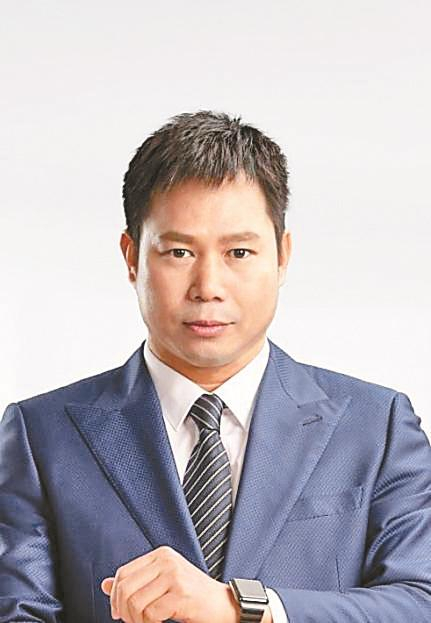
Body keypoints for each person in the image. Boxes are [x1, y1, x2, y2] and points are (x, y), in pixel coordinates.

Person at [1, 110, 431, 623]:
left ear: (282, 256)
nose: (208, 286)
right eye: (179, 252)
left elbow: (420, 601)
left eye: (239, 252)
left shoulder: (377, 426)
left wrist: (244, 608)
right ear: (132, 257)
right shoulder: (41, 436)